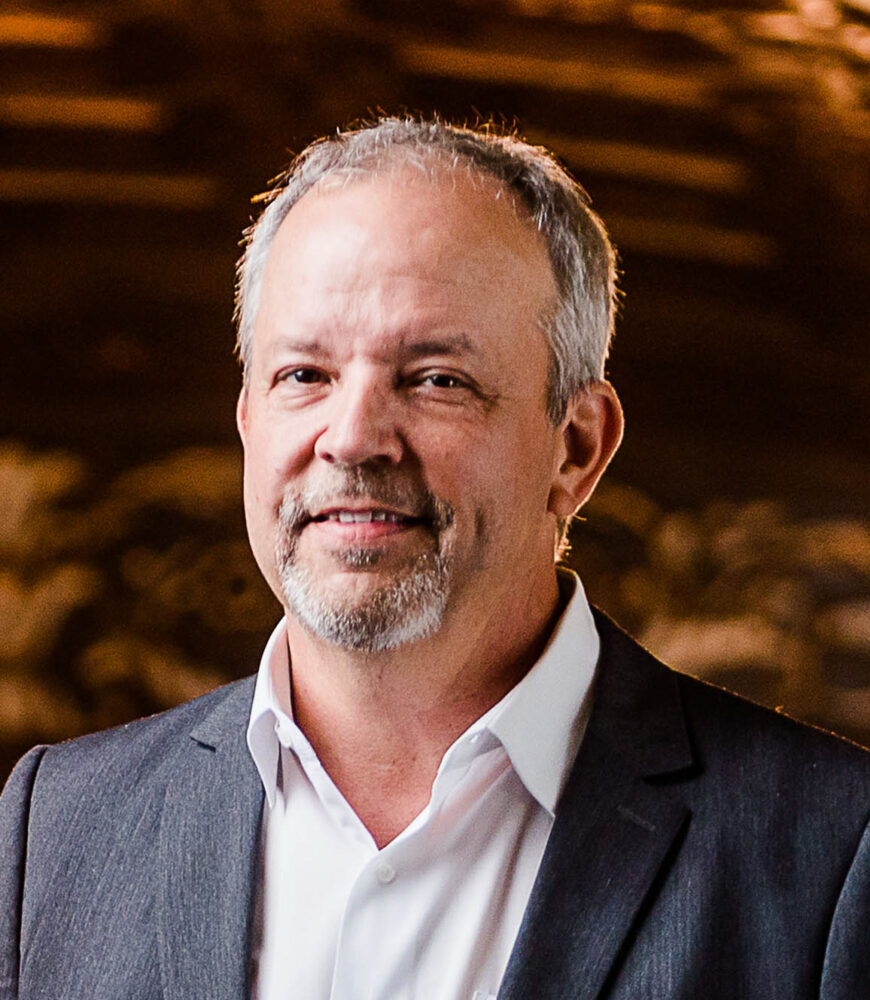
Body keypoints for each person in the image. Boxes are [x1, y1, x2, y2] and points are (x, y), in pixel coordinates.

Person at [1, 118, 869, 1000]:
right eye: (304, 375)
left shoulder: (835, 855)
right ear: (248, 423)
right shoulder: (56, 830)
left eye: (435, 379)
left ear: (576, 448)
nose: (352, 438)